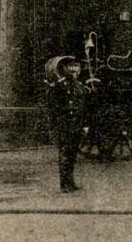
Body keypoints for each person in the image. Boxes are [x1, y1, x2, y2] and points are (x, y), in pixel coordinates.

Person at [46, 56, 87, 192]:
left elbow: (83, 107)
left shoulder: (79, 85)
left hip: (77, 125)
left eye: (76, 66)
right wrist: (55, 125)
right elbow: (53, 107)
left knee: (73, 154)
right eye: (70, 66)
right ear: (64, 68)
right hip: (65, 125)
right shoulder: (59, 86)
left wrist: (84, 125)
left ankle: (71, 182)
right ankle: (64, 184)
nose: (73, 69)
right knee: (65, 154)